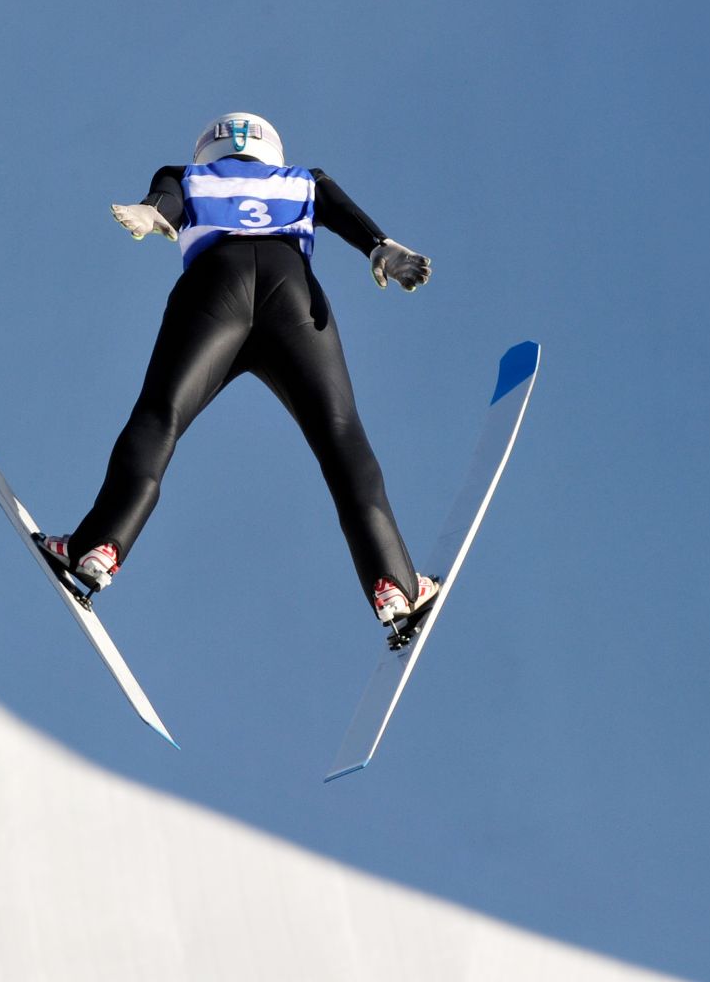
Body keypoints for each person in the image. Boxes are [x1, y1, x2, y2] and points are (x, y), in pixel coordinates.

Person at [39, 113, 438, 637]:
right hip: (292, 294)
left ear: (208, 146)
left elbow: (165, 205)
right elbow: (345, 215)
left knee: (163, 414)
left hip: (213, 288)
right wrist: (382, 246)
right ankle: (395, 583)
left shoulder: (184, 173)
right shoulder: (304, 178)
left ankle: (97, 546)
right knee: (340, 435)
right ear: (272, 147)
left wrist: (150, 213)